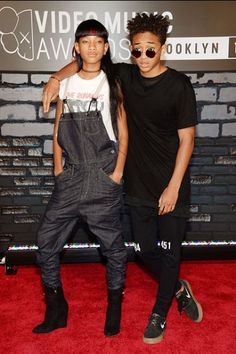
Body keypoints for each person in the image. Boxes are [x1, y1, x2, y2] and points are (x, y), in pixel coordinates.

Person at [42, 13, 203, 344]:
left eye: (151, 51)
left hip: (171, 182)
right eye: (137, 51)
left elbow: (188, 139)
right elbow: (83, 62)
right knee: (144, 250)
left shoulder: (179, 85)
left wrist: (173, 187)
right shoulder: (124, 76)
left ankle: (159, 312)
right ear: (130, 51)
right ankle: (177, 287)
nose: (143, 58)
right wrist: (55, 79)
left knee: (170, 251)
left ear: (163, 49)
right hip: (138, 183)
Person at [33, 19, 128, 337]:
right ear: (76, 47)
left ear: (105, 47)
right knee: (45, 242)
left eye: (97, 41)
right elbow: (58, 126)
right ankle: (56, 308)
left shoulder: (113, 80)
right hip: (71, 176)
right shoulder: (67, 83)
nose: (91, 47)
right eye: (84, 41)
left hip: (103, 175)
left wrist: (116, 173)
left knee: (113, 247)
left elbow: (123, 131)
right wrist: (58, 169)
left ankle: (114, 304)